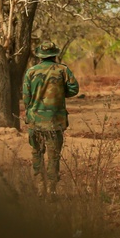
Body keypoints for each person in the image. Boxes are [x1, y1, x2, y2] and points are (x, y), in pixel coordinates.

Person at [22, 40, 80, 197]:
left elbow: (26, 97)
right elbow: (74, 88)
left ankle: (40, 187)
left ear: (40, 55)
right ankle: (52, 190)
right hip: (55, 121)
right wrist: (60, 94)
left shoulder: (31, 72)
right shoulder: (62, 70)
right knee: (53, 157)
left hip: (35, 121)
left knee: (37, 153)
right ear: (55, 54)